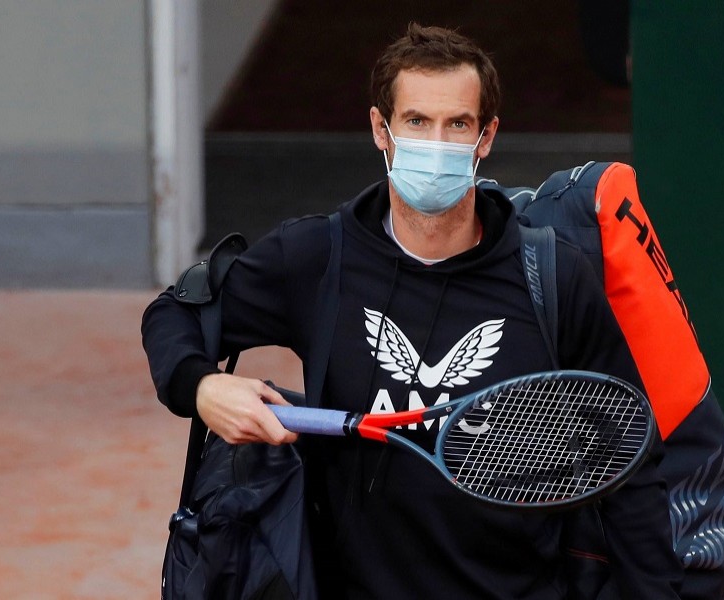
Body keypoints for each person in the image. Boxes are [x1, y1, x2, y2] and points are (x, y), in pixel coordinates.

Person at [142, 23, 683, 599]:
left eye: (459, 124)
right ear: (382, 129)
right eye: (417, 121)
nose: (437, 144)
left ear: (487, 137)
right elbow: (174, 313)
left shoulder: (554, 278)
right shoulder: (319, 256)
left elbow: (628, 467)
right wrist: (202, 388)